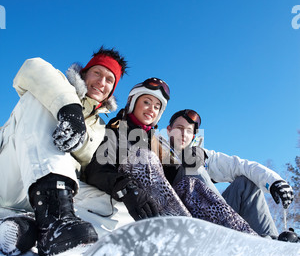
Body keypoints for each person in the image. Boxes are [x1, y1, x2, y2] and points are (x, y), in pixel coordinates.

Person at [0, 46, 128, 256]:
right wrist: (69, 109)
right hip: (8, 173)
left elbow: (88, 160)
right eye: (97, 73)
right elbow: (31, 68)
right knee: (39, 98)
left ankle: (30, 226)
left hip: (33, 195)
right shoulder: (58, 82)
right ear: (84, 74)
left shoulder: (99, 128)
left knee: (108, 203)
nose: (101, 82)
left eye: (109, 80)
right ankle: (55, 220)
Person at [85, 81, 257, 235]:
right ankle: (188, 235)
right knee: (143, 157)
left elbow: (177, 178)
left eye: (156, 107)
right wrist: (126, 188)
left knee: (189, 176)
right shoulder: (116, 130)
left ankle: (243, 236)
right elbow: (97, 170)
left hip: (172, 202)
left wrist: (193, 161)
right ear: (133, 103)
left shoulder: (156, 142)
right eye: (146, 102)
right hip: (143, 200)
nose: (151, 109)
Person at [166, 109, 298, 242]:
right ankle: (228, 226)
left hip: (216, 219)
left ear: (193, 137)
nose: (184, 134)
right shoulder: (157, 150)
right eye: (179, 128)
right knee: (191, 160)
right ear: (168, 130)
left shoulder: (203, 156)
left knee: (245, 183)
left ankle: (271, 244)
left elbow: (240, 166)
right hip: (178, 220)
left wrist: (274, 181)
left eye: (189, 131)